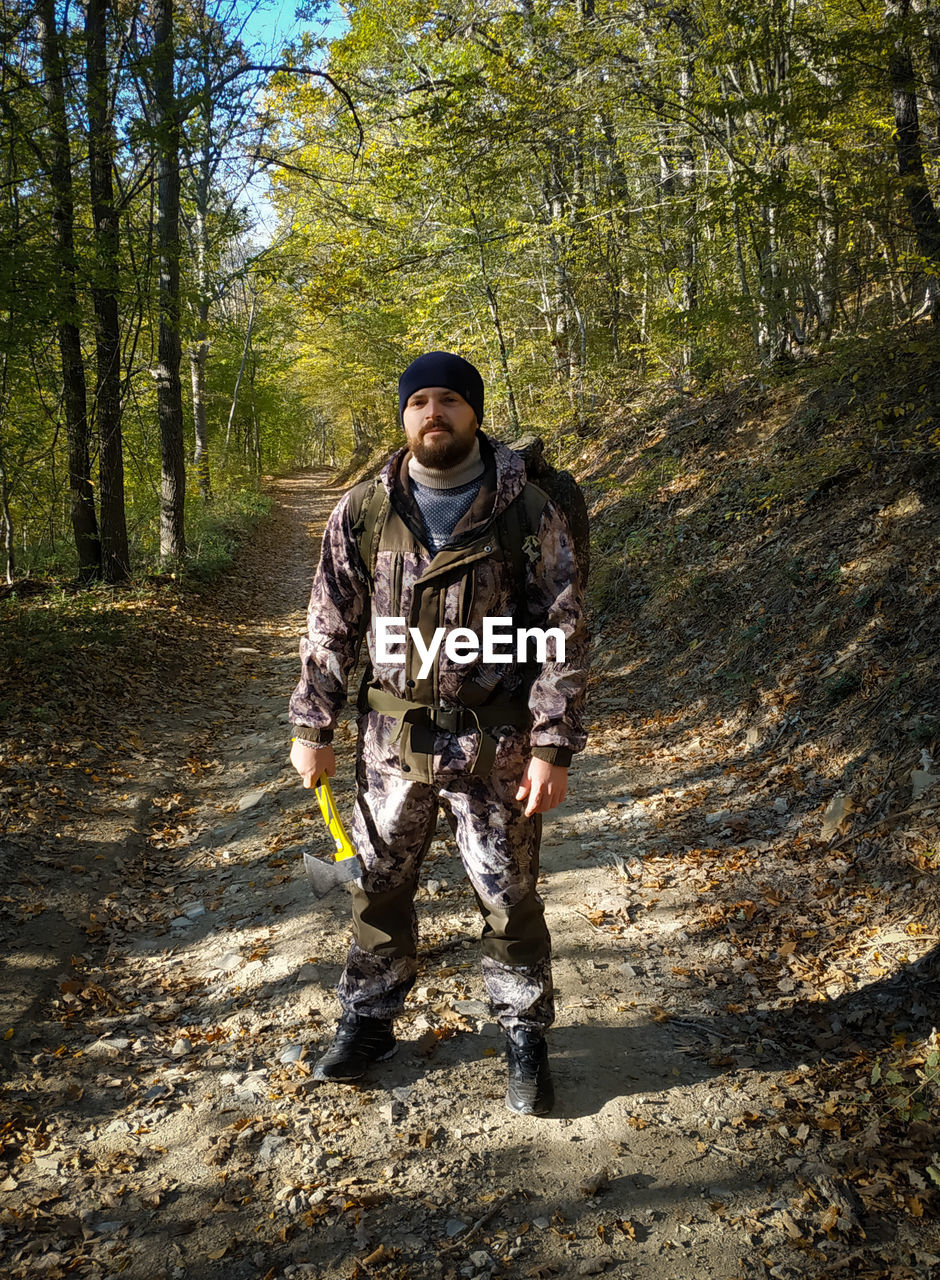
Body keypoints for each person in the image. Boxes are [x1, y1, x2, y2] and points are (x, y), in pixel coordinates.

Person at [288, 351, 588, 1116]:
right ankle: (370, 1021)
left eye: (448, 400)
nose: (434, 413)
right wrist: (312, 723)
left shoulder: (527, 510)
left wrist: (553, 745)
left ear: (474, 412)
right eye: (418, 400)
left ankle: (524, 1033)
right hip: (390, 746)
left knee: (508, 895)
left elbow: (563, 630)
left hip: (499, 747)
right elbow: (330, 625)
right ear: (403, 416)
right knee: (379, 887)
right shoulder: (365, 511)